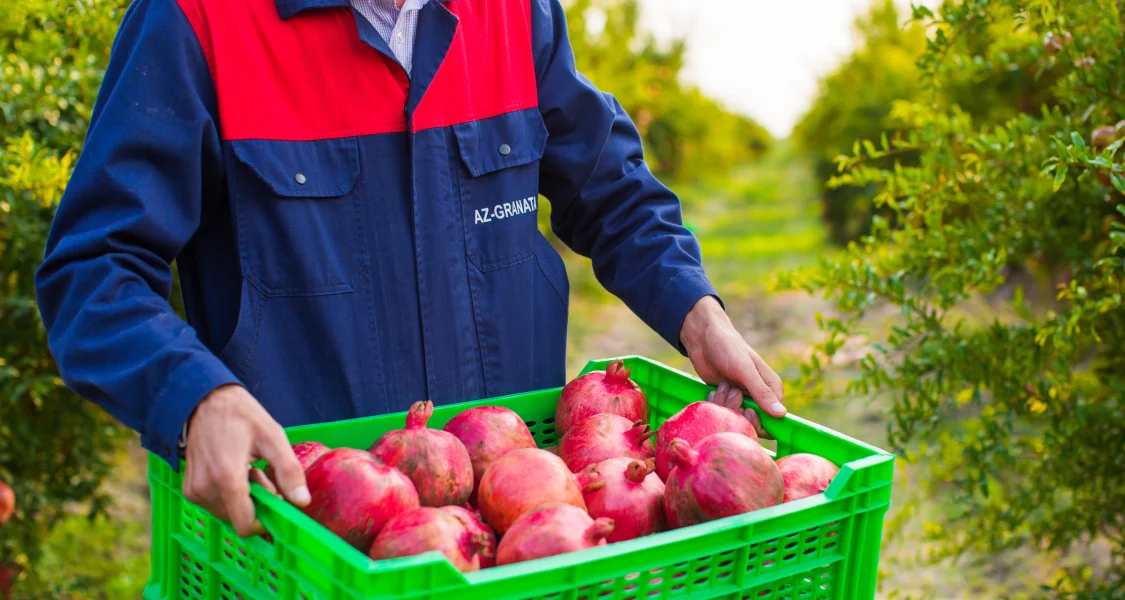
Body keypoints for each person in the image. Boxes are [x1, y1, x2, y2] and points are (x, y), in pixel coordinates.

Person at [35, 0, 786, 538]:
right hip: (303, 538)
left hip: (507, 541)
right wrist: (195, 397)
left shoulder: (514, 15)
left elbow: (611, 191)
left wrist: (695, 308)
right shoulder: (195, 20)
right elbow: (91, 270)